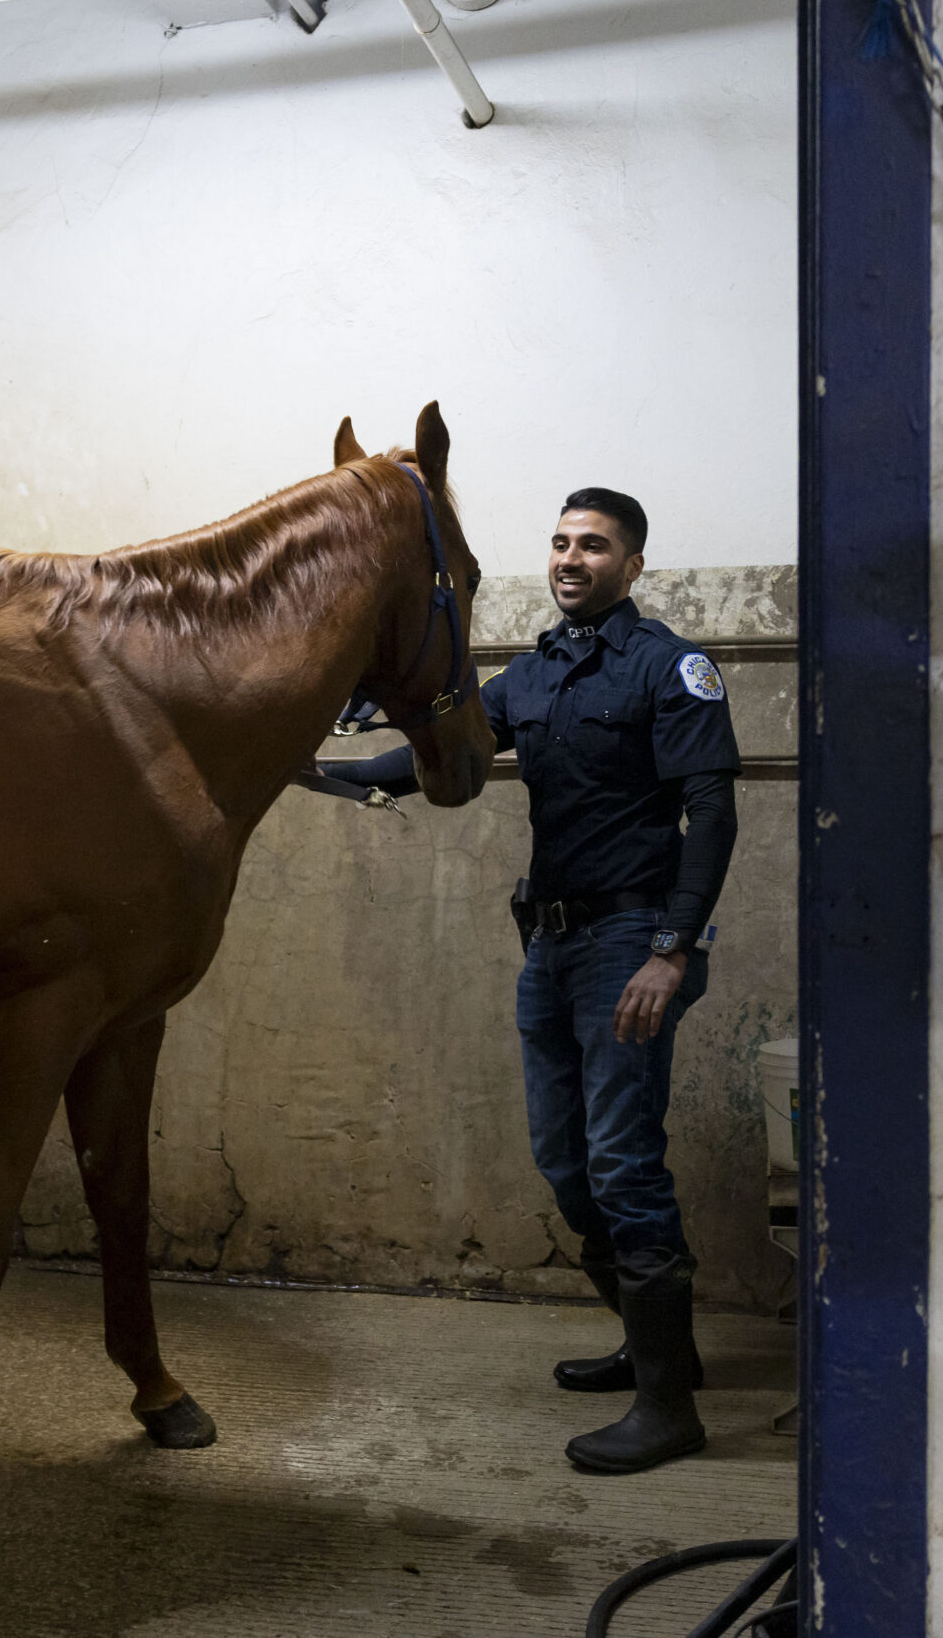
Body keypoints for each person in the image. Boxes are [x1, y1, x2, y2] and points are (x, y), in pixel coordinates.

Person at [322, 487, 739, 1473]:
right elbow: (439, 751)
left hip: (632, 943)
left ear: (632, 566)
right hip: (549, 950)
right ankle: (653, 1350)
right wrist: (307, 770)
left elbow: (711, 817)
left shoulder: (667, 668)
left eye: (593, 545)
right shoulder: (528, 675)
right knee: (566, 1164)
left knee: (625, 1165)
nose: (569, 558)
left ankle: (669, 1409)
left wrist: (672, 950)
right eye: (558, 542)